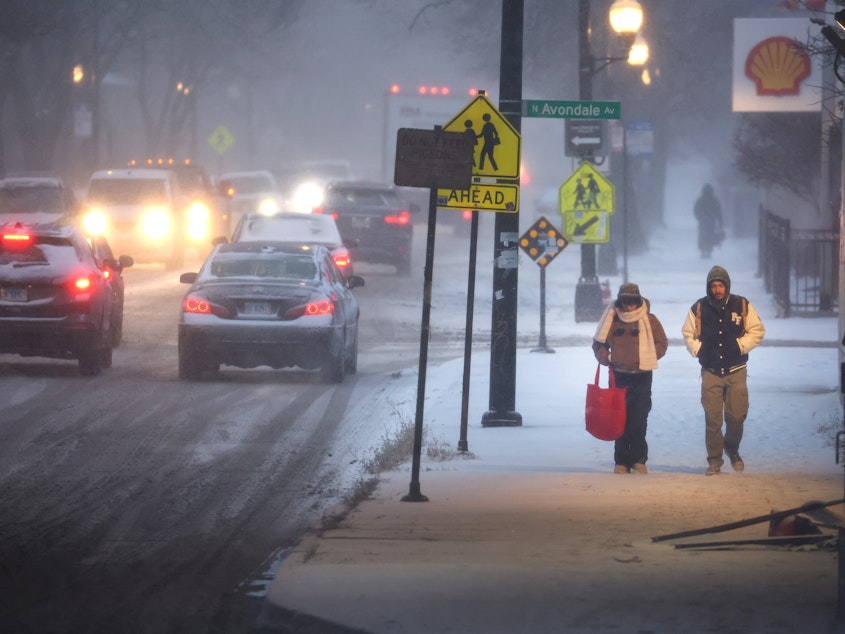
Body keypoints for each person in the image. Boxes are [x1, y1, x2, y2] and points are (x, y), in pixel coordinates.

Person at [681, 266, 765, 476]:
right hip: (710, 372)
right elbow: (687, 333)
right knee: (713, 419)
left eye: (721, 285)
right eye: (713, 286)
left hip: (736, 370)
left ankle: (732, 448)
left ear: (727, 286)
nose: (717, 290)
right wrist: (699, 350)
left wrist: (739, 346)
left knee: (736, 417)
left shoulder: (742, 305)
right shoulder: (699, 307)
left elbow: (757, 331)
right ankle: (715, 461)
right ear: (708, 287)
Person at [593, 283, 668, 475]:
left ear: (638, 301)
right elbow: (598, 344)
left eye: (633, 302)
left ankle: (639, 459)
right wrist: (608, 357)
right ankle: (621, 461)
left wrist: (648, 356)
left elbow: (662, 343)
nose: (629, 307)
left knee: (639, 418)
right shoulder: (611, 319)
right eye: (625, 302)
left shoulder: (650, 320)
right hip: (618, 376)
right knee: (619, 419)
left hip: (642, 375)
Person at [693, 183, 724, 258]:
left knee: (702, 235)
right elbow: (718, 211)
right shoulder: (714, 200)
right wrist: (720, 221)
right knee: (710, 235)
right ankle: (709, 251)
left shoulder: (700, 200)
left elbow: (696, 210)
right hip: (711, 221)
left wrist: (699, 217)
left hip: (703, 221)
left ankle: (703, 250)